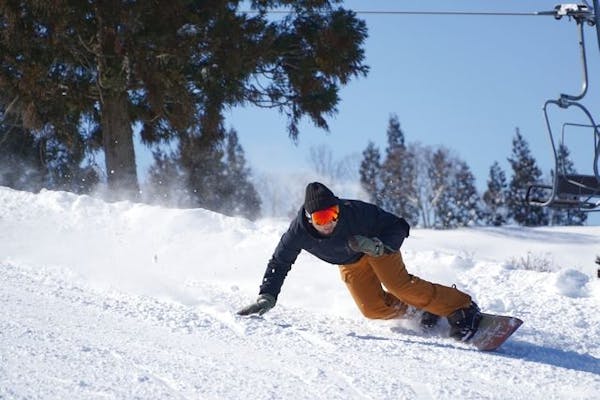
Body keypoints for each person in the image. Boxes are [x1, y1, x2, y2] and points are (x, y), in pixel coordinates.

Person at [238, 182, 482, 341]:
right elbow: (279, 263)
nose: (330, 222)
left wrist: (379, 245)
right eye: (322, 218)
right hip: (351, 261)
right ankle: (419, 311)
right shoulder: (297, 233)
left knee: (398, 286)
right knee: (371, 309)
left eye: (333, 214)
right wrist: (267, 296)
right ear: (309, 218)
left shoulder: (355, 213)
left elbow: (399, 225)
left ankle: (462, 307)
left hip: (376, 248)